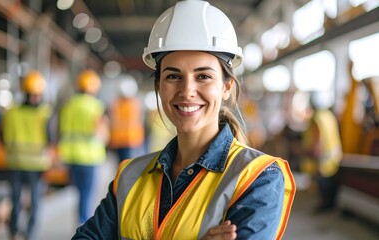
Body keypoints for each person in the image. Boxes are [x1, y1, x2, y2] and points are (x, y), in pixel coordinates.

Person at [73, 1, 296, 239]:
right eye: (173, 76)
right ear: (159, 86)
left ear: (226, 87)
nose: (187, 90)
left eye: (203, 76)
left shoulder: (257, 177)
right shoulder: (130, 176)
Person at [1, 70, 53, 240]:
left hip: (15, 162)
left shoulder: (11, 112)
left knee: (15, 198)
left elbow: (2, 137)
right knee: (35, 201)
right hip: (37, 165)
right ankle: (30, 233)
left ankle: (14, 231)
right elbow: (51, 137)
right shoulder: (45, 113)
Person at [58, 69, 109, 225]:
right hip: (90, 157)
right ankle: (83, 224)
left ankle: (80, 221)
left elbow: (59, 129)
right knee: (87, 194)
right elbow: (103, 134)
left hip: (71, 155)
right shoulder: (96, 106)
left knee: (79, 192)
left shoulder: (68, 105)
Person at [302, 91, 343, 213]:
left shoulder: (317, 118)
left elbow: (317, 143)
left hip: (323, 161)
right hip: (334, 159)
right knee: (329, 186)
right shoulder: (329, 115)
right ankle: (329, 204)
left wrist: (316, 163)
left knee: (323, 186)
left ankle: (324, 205)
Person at [108, 75, 145, 162]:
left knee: (124, 165)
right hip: (128, 140)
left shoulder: (116, 103)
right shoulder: (135, 103)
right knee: (126, 166)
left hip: (127, 140)